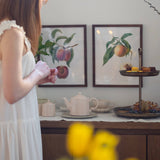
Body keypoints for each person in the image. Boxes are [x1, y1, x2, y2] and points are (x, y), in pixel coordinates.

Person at [0, 0, 57, 159]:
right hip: (14, 126)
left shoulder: (5, 31)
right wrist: (37, 73)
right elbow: (12, 94)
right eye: (41, 1)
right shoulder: (13, 34)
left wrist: (33, 79)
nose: (43, 5)